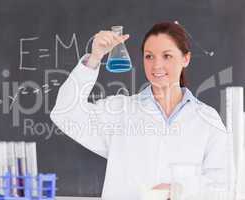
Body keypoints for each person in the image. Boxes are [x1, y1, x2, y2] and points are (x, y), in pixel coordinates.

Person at [50, 22, 235, 199]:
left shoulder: (206, 119)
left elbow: (223, 186)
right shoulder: (120, 111)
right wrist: (94, 58)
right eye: (149, 56)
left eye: (167, 56)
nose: (156, 65)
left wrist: (179, 190)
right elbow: (65, 114)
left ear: (185, 59)